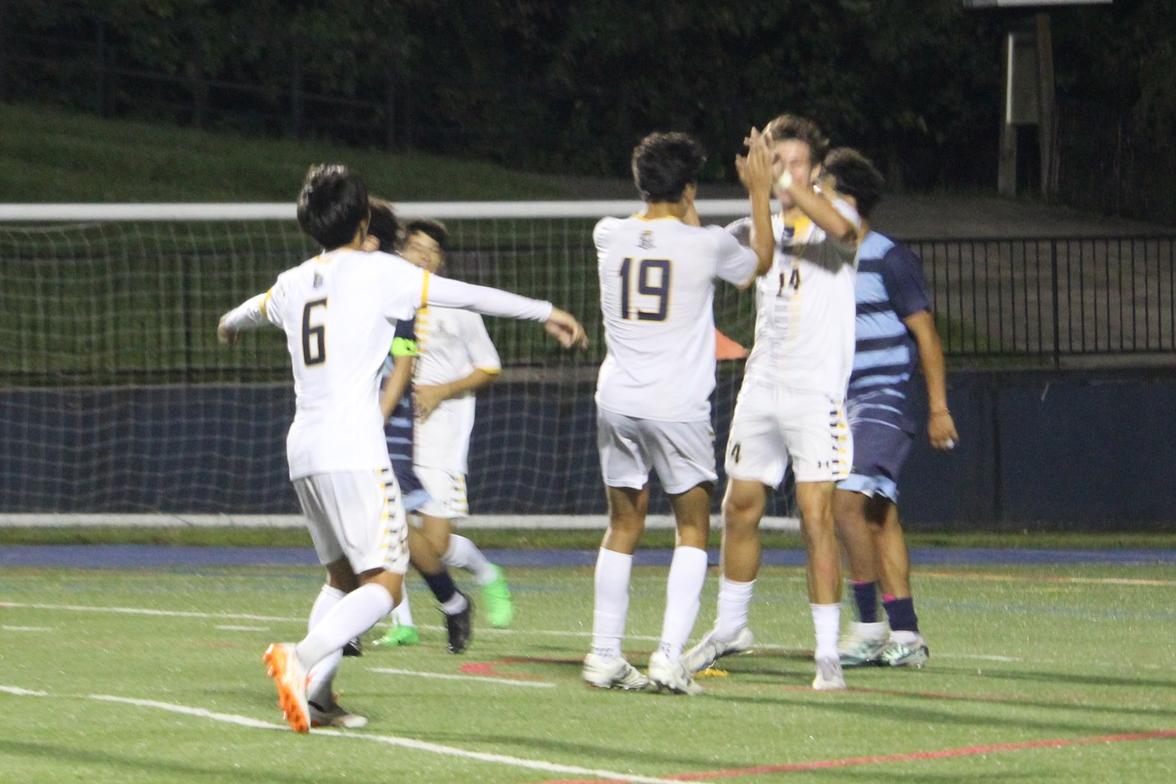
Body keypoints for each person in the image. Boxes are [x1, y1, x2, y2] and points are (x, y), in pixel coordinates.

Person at [217, 164, 586, 733]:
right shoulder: (379, 273)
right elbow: (466, 294)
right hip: (354, 449)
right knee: (385, 586)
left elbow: (251, 309)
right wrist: (546, 311)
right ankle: (300, 658)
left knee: (340, 582)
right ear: (364, 218)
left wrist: (227, 324)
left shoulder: (292, 282)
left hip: (303, 452)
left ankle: (318, 698)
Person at [582, 130, 774, 694]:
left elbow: (654, 230)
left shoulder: (608, 234)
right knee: (692, 527)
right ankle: (667, 655)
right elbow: (757, 263)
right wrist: (758, 191)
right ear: (690, 188)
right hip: (676, 408)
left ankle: (603, 655)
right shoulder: (708, 244)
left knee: (622, 525)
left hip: (617, 401)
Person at [682, 115, 862, 690]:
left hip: (815, 393)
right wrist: (689, 197)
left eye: (795, 162)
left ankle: (828, 650)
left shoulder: (838, 215)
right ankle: (732, 627)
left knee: (815, 516)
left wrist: (782, 186)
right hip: (763, 385)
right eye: (774, 160)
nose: (784, 170)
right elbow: (726, 263)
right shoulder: (754, 223)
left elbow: (844, 232)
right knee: (738, 506)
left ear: (815, 170)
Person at [828, 149, 959, 669]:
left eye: (824, 189)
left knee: (845, 505)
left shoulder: (888, 256)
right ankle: (906, 635)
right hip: (842, 404)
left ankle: (866, 627)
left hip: (882, 399)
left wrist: (939, 408)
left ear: (850, 200)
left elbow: (926, 335)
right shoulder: (828, 256)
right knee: (880, 519)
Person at [390, 218, 516, 631]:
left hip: (444, 440)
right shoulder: (388, 302)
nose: (424, 256)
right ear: (400, 253)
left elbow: (490, 367)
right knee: (392, 531)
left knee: (436, 546)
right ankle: (400, 624)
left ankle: (486, 574)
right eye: (416, 248)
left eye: (433, 251)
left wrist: (441, 390)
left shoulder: (458, 307)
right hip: (399, 438)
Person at [360, 199, 473, 653]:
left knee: (386, 530)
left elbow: (403, 364)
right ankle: (449, 601)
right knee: (374, 530)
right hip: (357, 422)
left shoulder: (394, 288)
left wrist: (377, 418)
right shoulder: (343, 279)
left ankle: (451, 598)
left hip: (384, 425)